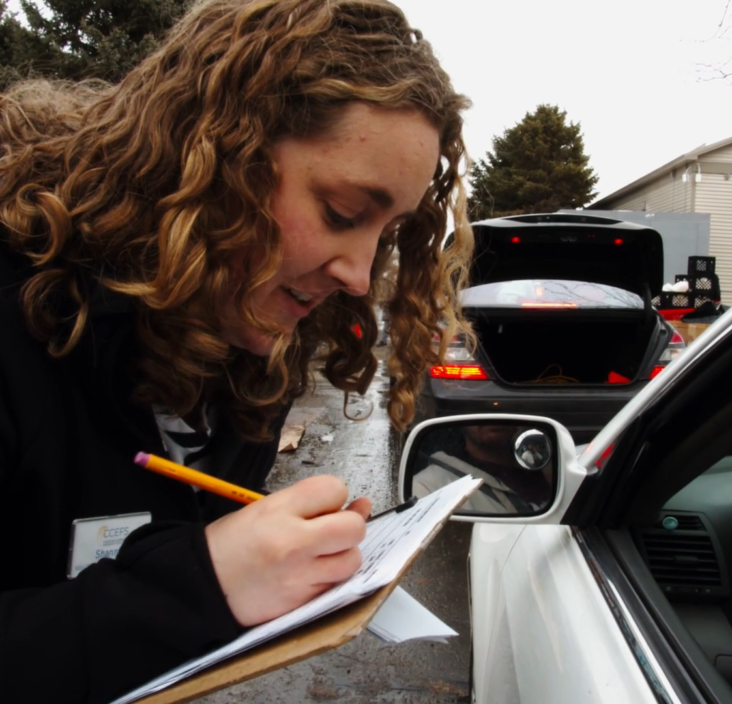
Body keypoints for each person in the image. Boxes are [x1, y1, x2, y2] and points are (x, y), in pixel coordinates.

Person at [0, 1, 474, 701]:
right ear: (217, 158)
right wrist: (201, 585)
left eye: (389, 232)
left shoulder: (254, 354)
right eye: (343, 214)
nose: (358, 273)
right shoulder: (18, 319)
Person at [412, 425, 554, 514]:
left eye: (503, 405)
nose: (494, 413)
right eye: (479, 405)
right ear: (459, 422)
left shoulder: (549, 466)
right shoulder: (428, 487)